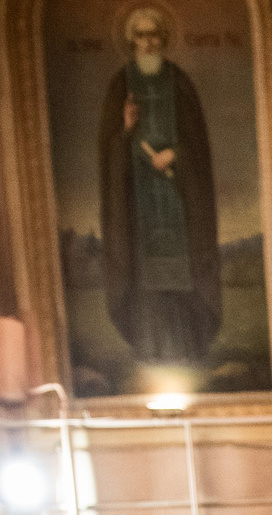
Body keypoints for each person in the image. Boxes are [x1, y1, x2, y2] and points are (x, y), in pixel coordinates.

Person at [98, 4, 219, 368]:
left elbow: (198, 146)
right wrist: (126, 130)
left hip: (178, 200)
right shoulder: (120, 86)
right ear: (131, 41)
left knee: (181, 272)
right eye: (141, 36)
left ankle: (185, 347)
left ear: (164, 39)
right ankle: (149, 348)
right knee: (145, 277)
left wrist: (175, 154)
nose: (148, 43)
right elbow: (109, 150)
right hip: (138, 205)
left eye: (154, 36)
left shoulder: (179, 83)